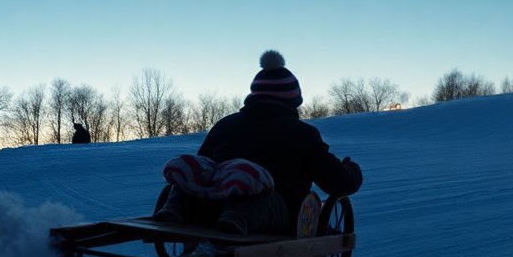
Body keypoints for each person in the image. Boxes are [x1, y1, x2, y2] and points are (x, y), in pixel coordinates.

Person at [154, 50, 364, 236]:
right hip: (271, 215)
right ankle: (238, 215)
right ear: (292, 100)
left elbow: (203, 167)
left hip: (211, 205)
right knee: (261, 194)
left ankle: (177, 206)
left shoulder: (225, 124)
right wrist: (352, 171)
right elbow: (336, 182)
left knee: (200, 174)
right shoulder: (303, 134)